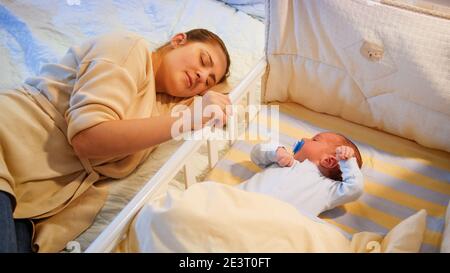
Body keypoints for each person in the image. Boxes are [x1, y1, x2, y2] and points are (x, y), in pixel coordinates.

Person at [0, 29, 231, 252]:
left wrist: (208, 97)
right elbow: (88, 138)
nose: (202, 76)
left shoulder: (165, 107)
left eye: (209, 81)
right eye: (203, 59)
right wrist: (190, 119)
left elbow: (229, 95)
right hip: (9, 141)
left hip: (32, 204)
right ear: (178, 40)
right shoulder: (129, 48)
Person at [237, 132, 364, 218]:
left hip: (274, 223)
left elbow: (355, 189)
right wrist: (276, 152)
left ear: (328, 161)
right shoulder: (285, 161)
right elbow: (256, 153)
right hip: (238, 202)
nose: (304, 139)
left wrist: (348, 162)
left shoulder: (329, 189)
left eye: (314, 140)